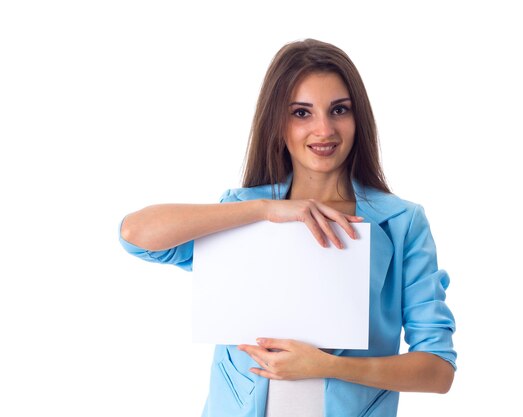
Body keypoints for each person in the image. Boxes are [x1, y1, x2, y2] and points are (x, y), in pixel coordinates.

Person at [119, 38, 456, 417]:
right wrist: (264, 209)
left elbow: (437, 370)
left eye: (339, 110)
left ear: (357, 118)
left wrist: (329, 366)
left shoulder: (400, 223)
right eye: (302, 113)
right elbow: (136, 235)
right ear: (278, 123)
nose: (323, 129)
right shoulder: (246, 214)